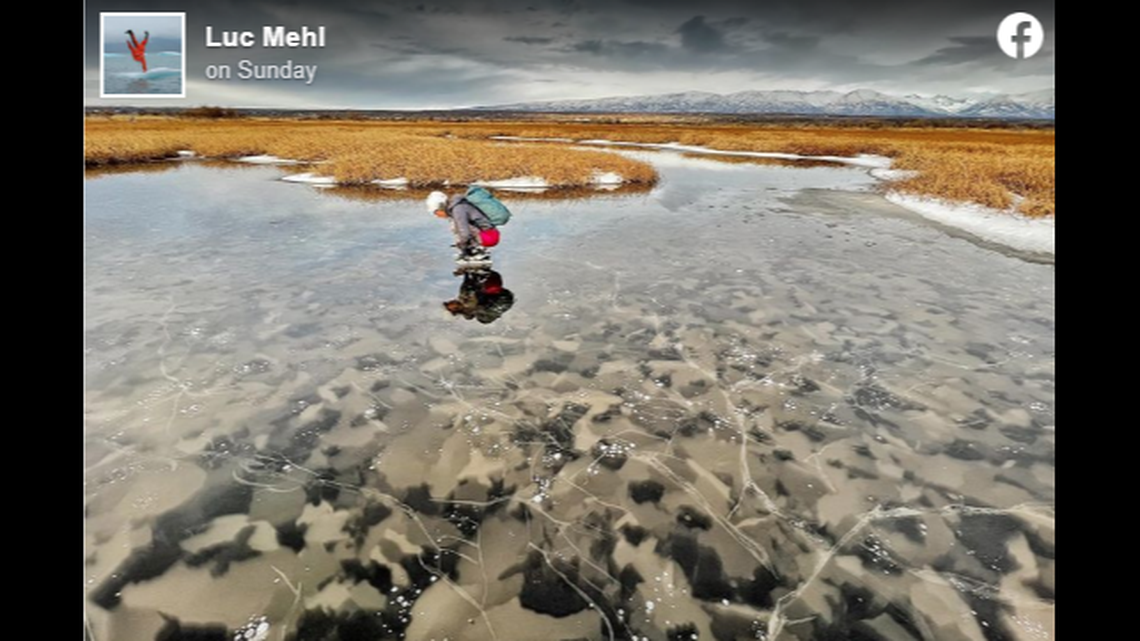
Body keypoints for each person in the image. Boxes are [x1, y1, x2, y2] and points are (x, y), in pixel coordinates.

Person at [426, 190, 496, 262]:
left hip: (489, 237)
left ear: (441, 207)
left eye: (436, 212)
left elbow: (464, 232)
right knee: (459, 227)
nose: (437, 216)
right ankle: (474, 249)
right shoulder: (457, 207)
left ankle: (477, 250)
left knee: (459, 227)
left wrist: (463, 246)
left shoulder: (458, 210)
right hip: (488, 234)